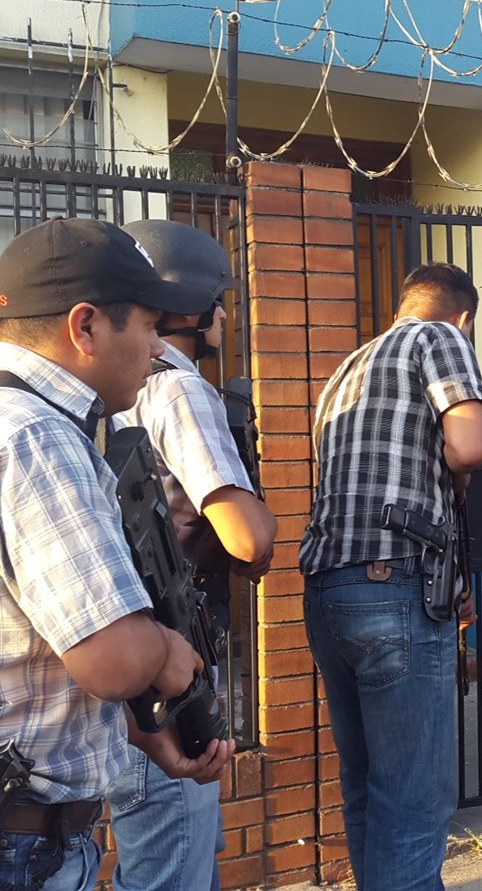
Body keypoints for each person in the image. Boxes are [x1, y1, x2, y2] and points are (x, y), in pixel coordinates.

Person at [0, 218, 233, 891]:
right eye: (148, 326)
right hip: (24, 848)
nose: (158, 347)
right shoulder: (37, 437)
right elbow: (114, 657)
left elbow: (31, 648)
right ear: (86, 327)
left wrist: (139, 736)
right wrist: (165, 651)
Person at [299, 263, 482, 891]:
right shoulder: (440, 338)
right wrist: (459, 472)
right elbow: (468, 447)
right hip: (395, 586)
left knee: (367, 789)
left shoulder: (345, 369)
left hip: (329, 590)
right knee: (413, 799)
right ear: (462, 314)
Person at [107, 220, 277, 891]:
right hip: (172, 663)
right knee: (175, 866)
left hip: (125, 658)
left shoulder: (103, 393)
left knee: (151, 859)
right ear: (185, 307)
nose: (226, 313)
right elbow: (248, 540)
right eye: (217, 297)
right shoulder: (177, 388)